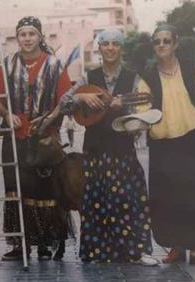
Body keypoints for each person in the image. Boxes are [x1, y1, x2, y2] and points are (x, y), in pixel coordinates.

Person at [59, 29, 157, 265]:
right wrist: (80, 99)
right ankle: (97, 251)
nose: (111, 48)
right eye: (106, 44)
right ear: (100, 48)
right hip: (95, 148)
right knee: (97, 199)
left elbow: (146, 111)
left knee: (130, 198)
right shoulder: (88, 77)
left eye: (115, 43)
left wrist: (125, 111)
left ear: (121, 48)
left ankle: (136, 250)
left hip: (122, 147)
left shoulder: (134, 78)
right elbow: (64, 104)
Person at [0, 16, 72, 261]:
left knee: (45, 190)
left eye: (32, 34)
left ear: (40, 36)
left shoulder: (55, 64)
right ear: (17, 38)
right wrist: (7, 114)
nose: (27, 39)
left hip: (44, 139)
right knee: (15, 188)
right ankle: (19, 244)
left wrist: (47, 120)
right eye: (22, 34)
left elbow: (66, 100)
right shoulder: (6, 65)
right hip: (14, 137)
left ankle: (46, 243)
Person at [138, 24, 195, 268]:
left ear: (174, 44)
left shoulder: (193, 68)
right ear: (154, 47)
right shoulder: (148, 76)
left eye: (166, 40)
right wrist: (139, 121)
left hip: (191, 140)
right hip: (162, 145)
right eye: (157, 41)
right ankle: (175, 246)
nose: (161, 45)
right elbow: (143, 110)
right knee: (166, 198)